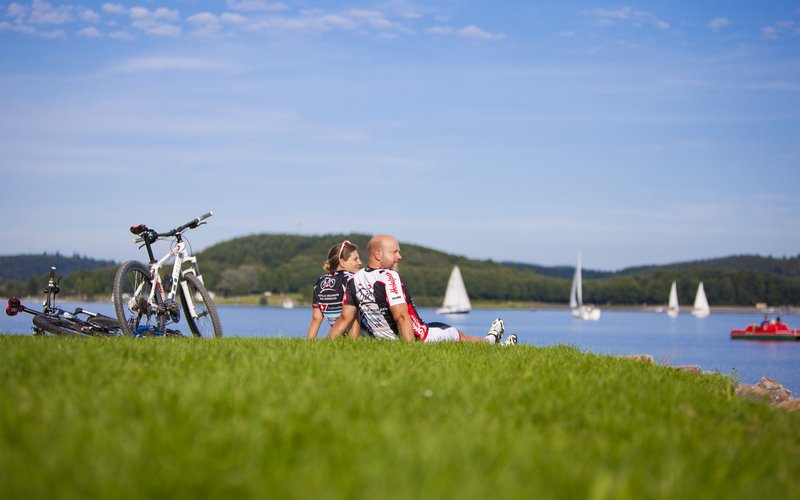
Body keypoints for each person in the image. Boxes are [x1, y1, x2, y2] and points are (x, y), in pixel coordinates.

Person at [327, 234, 517, 345]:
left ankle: (494, 342)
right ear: (378, 254)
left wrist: (327, 346)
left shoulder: (354, 279)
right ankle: (491, 341)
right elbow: (401, 317)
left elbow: (346, 318)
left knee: (437, 325)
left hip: (386, 338)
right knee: (457, 335)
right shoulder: (388, 277)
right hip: (420, 336)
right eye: (395, 252)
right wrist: (409, 351)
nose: (399, 257)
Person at [307, 240, 362, 339]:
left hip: (339, 336)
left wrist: (308, 343)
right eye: (355, 259)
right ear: (342, 262)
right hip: (359, 336)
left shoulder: (319, 282)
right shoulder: (352, 279)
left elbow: (316, 318)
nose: (360, 262)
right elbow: (352, 316)